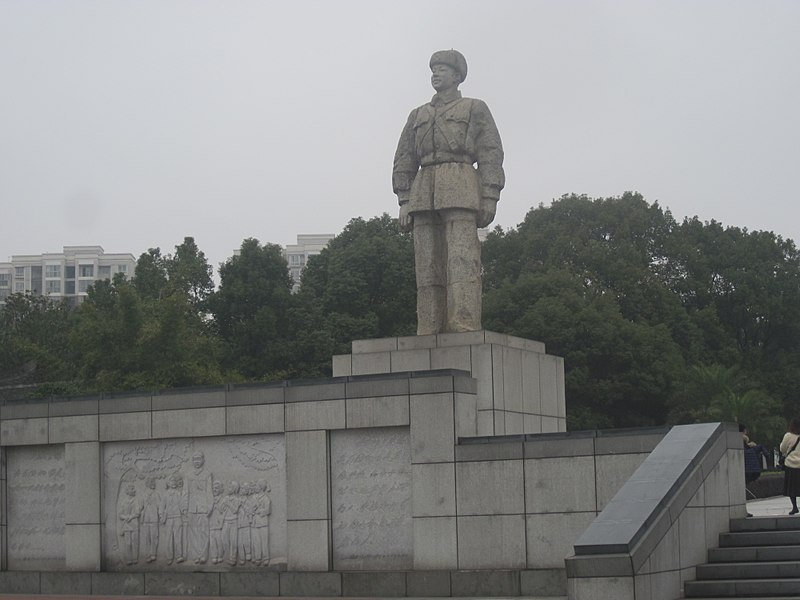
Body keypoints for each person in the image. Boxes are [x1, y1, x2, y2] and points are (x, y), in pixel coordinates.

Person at [393, 49, 504, 334]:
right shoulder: (418, 114)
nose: (435, 73)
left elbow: (491, 152)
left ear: (457, 76)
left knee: (462, 260)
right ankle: (428, 326)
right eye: (433, 68)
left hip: (461, 182)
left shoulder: (474, 108)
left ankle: (463, 325)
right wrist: (404, 199)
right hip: (423, 188)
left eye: (442, 68)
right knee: (427, 267)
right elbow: (404, 158)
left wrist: (490, 194)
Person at [186, 451, 213, 564]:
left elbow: (209, 491)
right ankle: (195, 555)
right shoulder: (188, 474)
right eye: (194, 459)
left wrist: (209, 506)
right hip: (192, 507)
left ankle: (203, 555)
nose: (196, 461)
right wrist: (184, 507)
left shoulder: (207, 474)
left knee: (203, 532)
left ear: (203, 460)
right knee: (193, 533)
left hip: (203, 507)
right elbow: (185, 492)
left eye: (199, 459)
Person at [118, 483, 144, 565]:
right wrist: (125, 517)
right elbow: (120, 514)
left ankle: (135, 558)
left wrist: (131, 517)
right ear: (127, 491)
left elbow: (137, 512)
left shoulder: (136, 500)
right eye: (131, 489)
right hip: (126, 525)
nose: (133, 490)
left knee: (135, 542)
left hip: (134, 523)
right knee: (128, 542)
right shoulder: (124, 501)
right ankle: (129, 559)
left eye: (133, 489)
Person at [780, 418, 800, 515]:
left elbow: (782, 449)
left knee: (791, 488)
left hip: (791, 465)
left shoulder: (788, 436)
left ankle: (795, 507)